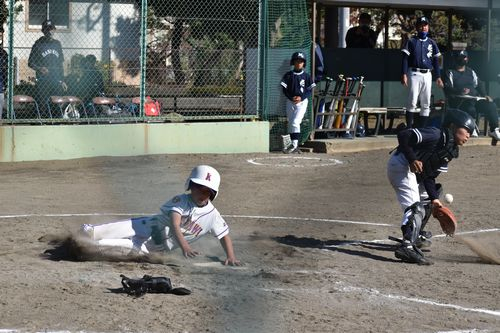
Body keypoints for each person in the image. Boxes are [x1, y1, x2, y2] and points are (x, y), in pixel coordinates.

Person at [79, 165, 242, 266]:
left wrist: (231, 256)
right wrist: (185, 246)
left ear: (213, 194)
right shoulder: (181, 201)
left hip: (154, 247)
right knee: (92, 232)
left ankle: (82, 247)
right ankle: (88, 234)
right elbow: (175, 224)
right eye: (198, 187)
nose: (201, 192)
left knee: (99, 246)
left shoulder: (213, 216)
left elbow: (224, 235)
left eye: (207, 190)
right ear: (190, 186)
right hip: (145, 227)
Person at [387, 109, 475, 265]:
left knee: (431, 197)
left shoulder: (451, 150)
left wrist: (435, 200)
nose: (469, 135)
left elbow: (429, 176)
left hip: (414, 172)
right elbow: (404, 135)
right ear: (454, 126)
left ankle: (416, 234)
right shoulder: (436, 134)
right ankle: (407, 246)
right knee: (415, 207)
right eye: (466, 130)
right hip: (401, 165)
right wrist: (413, 159)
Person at [443, 50, 500, 141]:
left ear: (467, 59)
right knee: (470, 108)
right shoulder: (450, 72)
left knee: (490, 105)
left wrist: (485, 95)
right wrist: (460, 91)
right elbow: (447, 88)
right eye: (460, 58)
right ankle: (471, 128)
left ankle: (494, 129)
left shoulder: (471, 72)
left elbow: (479, 84)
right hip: (459, 102)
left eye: (464, 57)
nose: (462, 59)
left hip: (474, 100)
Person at [401, 16, 444, 128]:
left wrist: (438, 77)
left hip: (427, 74)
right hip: (414, 73)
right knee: (412, 102)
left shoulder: (432, 43)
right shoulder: (411, 41)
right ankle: (409, 128)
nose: (423, 27)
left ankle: (423, 129)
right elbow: (405, 59)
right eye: (421, 25)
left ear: (428, 27)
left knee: (426, 103)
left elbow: (436, 61)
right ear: (417, 27)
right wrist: (404, 74)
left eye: (425, 25)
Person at [28, 19, 67, 116]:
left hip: (56, 80)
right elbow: (30, 63)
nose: (49, 31)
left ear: (54, 30)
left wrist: (62, 80)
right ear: (43, 31)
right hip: (43, 81)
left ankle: (56, 124)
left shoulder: (57, 44)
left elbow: (60, 64)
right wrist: (39, 68)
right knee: (43, 105)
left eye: (51, 29)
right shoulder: (38, 44)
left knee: (57, 106)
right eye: (47, 29)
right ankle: (42, 124)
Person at [280, 51, 316, 154]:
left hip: (302, 102)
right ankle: (293, 145)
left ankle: (294, 146)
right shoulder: (288, 75)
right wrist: (291, 98)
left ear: (304, 63)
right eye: (297, 61)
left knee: (296, 122)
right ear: (293, 62)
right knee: (292, 123)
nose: (299, 63)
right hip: (290, 102)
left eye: (301, 61)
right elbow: (284, 90)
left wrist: (301, 98)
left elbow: (310, 90)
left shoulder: (307, 76)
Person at [0, 45, 7, 119]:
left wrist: (5, 84)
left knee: (1, 98)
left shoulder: (3, 53)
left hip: (0, 84)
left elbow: (6, 71)